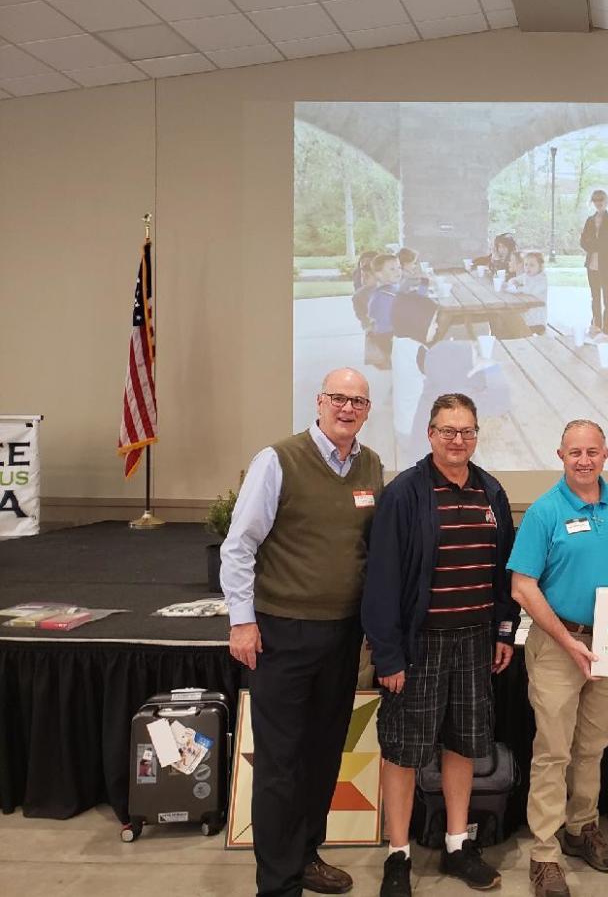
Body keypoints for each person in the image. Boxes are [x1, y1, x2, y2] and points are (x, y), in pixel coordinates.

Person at [220, 368, 384, 897]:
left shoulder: (372, 465)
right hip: (282, 635)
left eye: (357, 401)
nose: (347, 408)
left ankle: (307, 855)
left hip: (342, 637)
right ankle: (278, 882)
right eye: (338, 398)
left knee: (322, 756)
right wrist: (242, 621)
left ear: (367, 409)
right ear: (319, 402)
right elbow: (239, 546)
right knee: (280, 763)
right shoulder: (279, 460)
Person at [362, 393, 519, 897]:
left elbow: (503, 576)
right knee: (404, 752)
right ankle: (398, 855)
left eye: (467, 431)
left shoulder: (490, 491)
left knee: (462, 746)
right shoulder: (405, 494)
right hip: (417, 646)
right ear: (429, 435)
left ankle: (456, 844)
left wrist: (502, 631)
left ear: (476, 435)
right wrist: (387, 653)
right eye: (448, 431)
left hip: (474, 642)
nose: (458, 440)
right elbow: (381, 579)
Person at [507, 420, 608, 897]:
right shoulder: (545, 512)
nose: (585, 460)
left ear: (606, 454)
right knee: (553, 751)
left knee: (593, 746)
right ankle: (545, 853)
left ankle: (581, 827)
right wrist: (567, 641)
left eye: (593, 452)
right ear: (560, 455)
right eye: (575, 453)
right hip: (557, 645)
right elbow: (522, 586)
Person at [579, 190, 608, 334]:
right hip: (591, 265)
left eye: (601, 199)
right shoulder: (589, 220)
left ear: (606, 200)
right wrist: (594, 244)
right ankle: (597, 326)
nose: (598, 202)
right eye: (595, 199)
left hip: (607, 265)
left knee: (607, 298)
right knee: (595, 297)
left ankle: (607, 330)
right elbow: (583, 241)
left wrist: (593, 244)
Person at [505, 250, 548, 335]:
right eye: (526, 264)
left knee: (512, 324)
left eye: (532, 265)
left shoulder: (542, 279)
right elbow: (512, 280)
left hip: (537, 320)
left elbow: (531, 290)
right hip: (526, 316)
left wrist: (518, 288)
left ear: (540, 266)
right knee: (507, 319)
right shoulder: (526, 276)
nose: (528, 268)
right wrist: (513, 282)